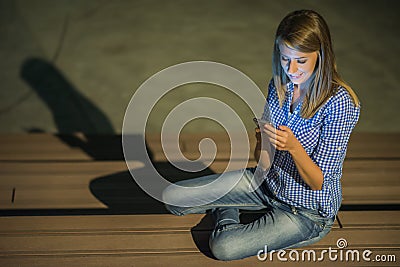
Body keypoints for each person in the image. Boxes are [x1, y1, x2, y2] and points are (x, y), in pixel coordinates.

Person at [162, 9, 360, 261]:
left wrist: (294, 147)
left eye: (301, 60)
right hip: (267, 184)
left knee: (225, 247)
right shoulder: (279, 86)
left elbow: (317, 182)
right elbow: (264, 163)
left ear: (320, 55)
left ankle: (226, 209)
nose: (291, 69)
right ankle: (232, 204)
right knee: (173, 198)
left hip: (306, 212)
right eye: (285, 58)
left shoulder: (340, 103)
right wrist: (262, 141)